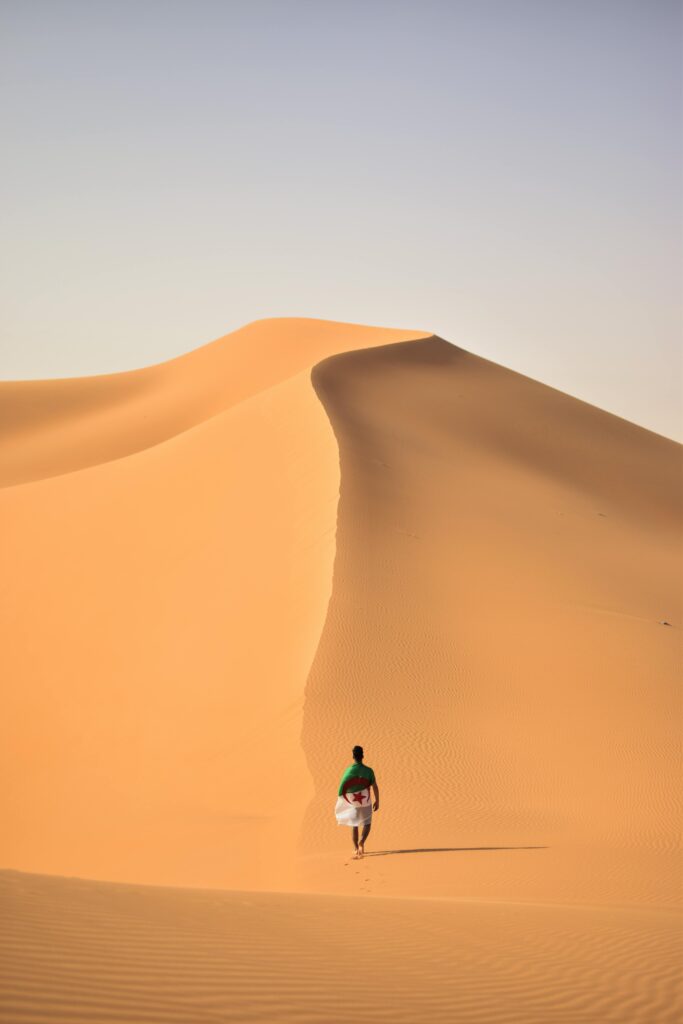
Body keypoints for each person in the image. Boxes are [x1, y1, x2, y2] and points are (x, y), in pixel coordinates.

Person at [334, 745, 379, 857]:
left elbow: (342, 786)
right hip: (365, 802)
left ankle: (355, 848)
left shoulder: (349, 770)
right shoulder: (369, 771)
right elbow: (375, 786)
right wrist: (377, 800)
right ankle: (361, 842)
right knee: (367, 824)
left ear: (353, 756)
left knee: (354, 825)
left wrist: (341, 798)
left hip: (353, 802)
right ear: (362, 756)